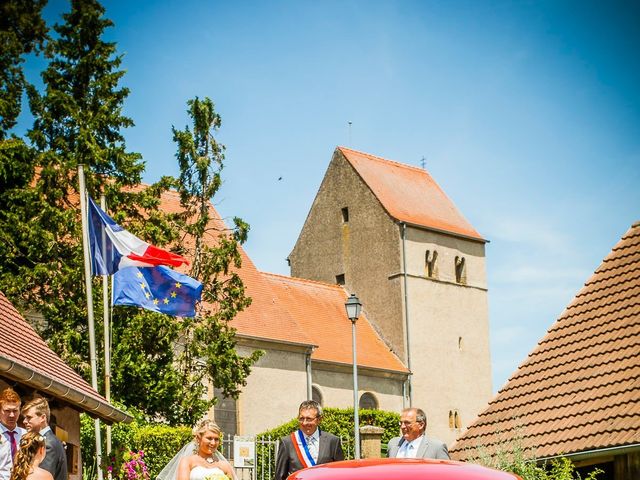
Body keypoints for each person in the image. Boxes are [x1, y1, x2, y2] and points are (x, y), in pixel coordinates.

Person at [275, 400, 344, 480]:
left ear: (319, 420)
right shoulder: (287, 442)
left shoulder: (332, 441)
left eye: (309, 419)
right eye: (301, 418)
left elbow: (340, 473)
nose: (304, 423)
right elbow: (279, 477)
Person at [21, 398, 66, 480]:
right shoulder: (47, 440)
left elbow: (42, 477)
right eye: (24, 418)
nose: (24, 421)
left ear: (42, 418)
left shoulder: (48, 443)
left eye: (29, 417)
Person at [1, 388, 27, 462]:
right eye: (7, 411)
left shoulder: (26, 436)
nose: (12, 415)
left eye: (15, 411)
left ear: (19, 411)